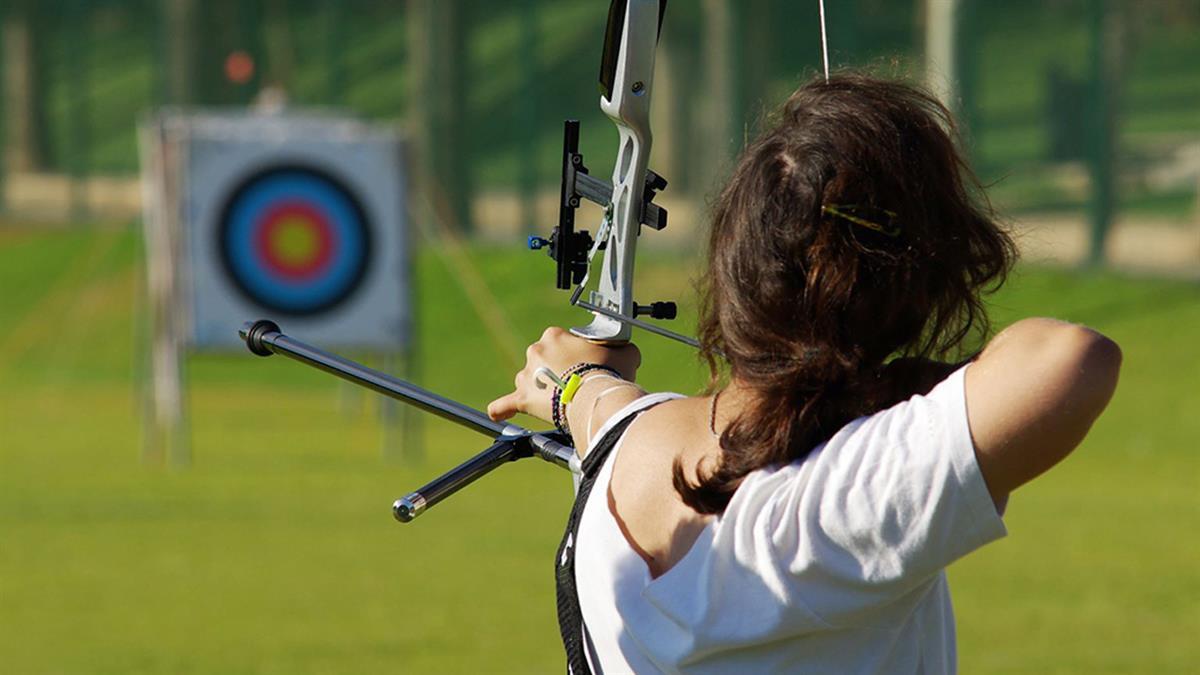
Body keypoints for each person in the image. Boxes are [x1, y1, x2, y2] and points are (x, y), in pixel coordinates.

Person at [487, 73, 1121, 674]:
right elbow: (1070, 360)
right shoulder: (832, 508)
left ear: (733, 258)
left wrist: (575, 384)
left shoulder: (623, 443)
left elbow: (600, 405)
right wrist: (905, 390)